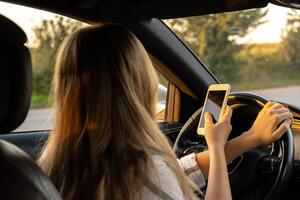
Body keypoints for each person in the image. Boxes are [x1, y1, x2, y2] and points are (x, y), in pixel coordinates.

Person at [38, 24, 292, 200]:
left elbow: (175, 172)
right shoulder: (140, 172)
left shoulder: (55, 164)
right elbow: (159, 177)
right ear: (137, 84)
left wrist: (249, 140)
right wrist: (214, 149)